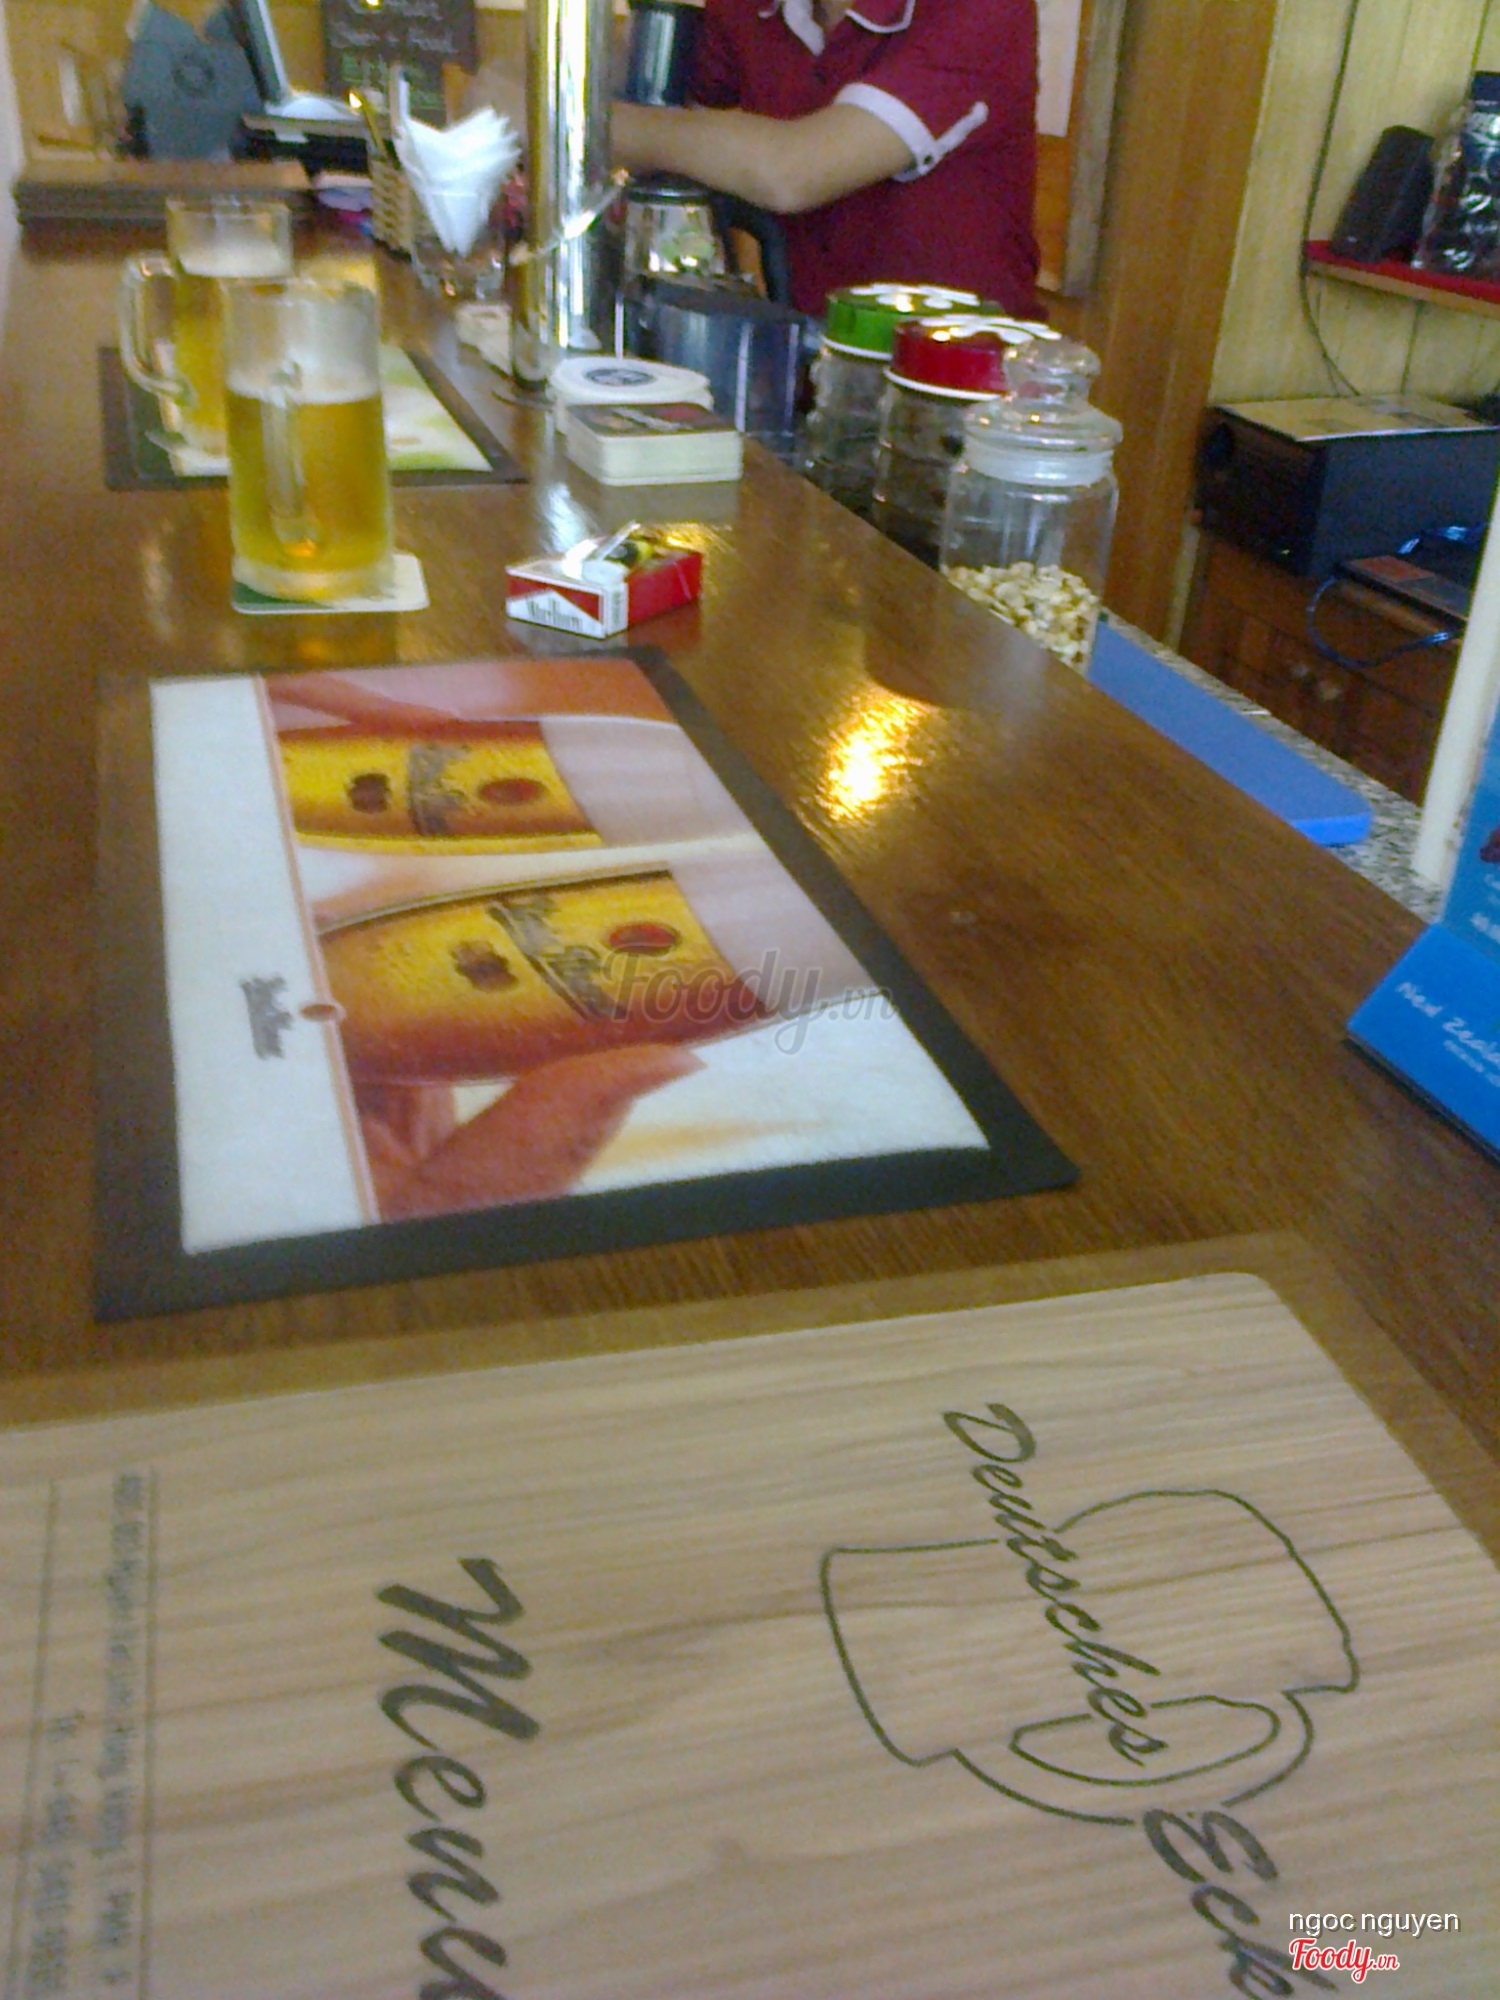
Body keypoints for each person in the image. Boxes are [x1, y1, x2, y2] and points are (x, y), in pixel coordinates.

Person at [611, 0, 1040, 319]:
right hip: (821, 369)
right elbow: (656, 86)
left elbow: (792, 171)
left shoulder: (979, 8)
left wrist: (591, 123)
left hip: (963, 390)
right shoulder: (749, 9)